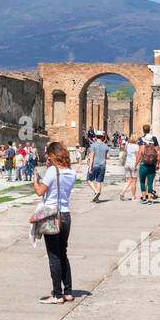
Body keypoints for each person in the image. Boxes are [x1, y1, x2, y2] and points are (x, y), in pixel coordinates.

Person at [34, 141, 77, 304]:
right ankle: (68, 292)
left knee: (53, 256)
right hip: (66, 215)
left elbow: (40, 192)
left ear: (52, 156)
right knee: (63, 253)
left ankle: (57, 295)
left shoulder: (52, 171)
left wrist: (35, 181)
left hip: (52, 215)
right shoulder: (71, 172)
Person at [85, 130, 110, 201]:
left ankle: (96, 191)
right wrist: (102, 156)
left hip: (94, 165)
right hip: (102, 165)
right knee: (99, 181)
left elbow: (92, 156)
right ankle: (97, 198)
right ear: (102, 137)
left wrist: (90, 167)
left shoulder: (93, 145)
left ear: (95, 137)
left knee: (88, 179)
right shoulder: (105, 146)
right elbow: (108, 156)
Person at [136, 125, 159, 203]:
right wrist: (157, 163)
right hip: (152, 166)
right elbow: (158, 156)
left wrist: (135, 165)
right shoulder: (154, 147)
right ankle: (149, 199)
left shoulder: (142, 146)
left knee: (142, 182)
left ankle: (144, 198)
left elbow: (139, 156)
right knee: (150, 182)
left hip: (143, 165)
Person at [119, 133, 140, 201]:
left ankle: (122, 192)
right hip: (133, 164)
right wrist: (136, 165)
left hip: (127, 163)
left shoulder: (127, 145)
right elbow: (137, 157)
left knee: (129, 180)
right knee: (134, 181)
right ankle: (133, 197)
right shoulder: (136, 146)